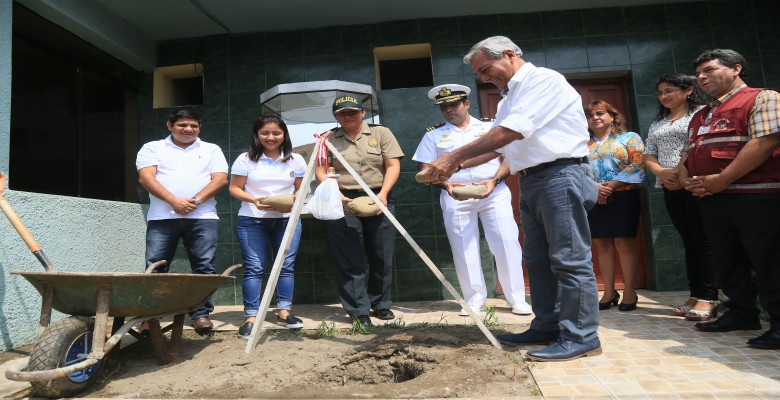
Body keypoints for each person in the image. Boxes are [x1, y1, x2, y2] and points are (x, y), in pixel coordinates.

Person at [425, 36, 601, 361]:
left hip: (561, 176)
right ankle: (547, 325)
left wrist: (452, 157)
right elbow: (500, 147)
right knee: (536, 259)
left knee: (569, 259)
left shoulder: (543, 81)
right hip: (534, 180)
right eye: (479, 74)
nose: (484, 78)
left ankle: (582, 337)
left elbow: (512, 131)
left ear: (509, 54)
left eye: (486, 69)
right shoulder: (507, 99)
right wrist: (456, 164)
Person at [682, 49, 780, 349]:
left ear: (736, 69)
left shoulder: (763, 98)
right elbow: (689, 154)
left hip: (757, 197)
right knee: (727, 260)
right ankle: (741, 313)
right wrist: (687, 181)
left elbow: (764, 143)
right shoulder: (701, 114)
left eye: (709, 70)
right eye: (698, 73)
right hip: (713, 200)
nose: (701, 77)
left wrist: (721, 180)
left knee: (769, 260)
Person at [412, 84, 531, 317]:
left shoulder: (490, 127)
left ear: (466, 104)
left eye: (453, 104)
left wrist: (495, 180)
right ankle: (474, 299)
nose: (448, 110)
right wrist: (445, 184)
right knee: (464, 247)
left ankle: (516, 298)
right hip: (455, 195)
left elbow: (508, 156)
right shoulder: (433, 134)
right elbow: (425, 168)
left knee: (506, 243)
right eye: (443, 106)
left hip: (493, 191)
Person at [136, 106, 228, 334]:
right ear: (170, 126)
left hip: (202, 217)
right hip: (162, 217)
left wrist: (195, 201)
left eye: (194, 125)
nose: (188, 129)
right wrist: (174, 201)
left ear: (199, 127)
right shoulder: (152, 148)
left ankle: (201, 313)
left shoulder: (211, 149)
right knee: (156, 266)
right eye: (182, 125)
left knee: (204, 267)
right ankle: (151, 316)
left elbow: (220, 180)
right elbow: (146, 178)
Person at [315, 96, 404, 326]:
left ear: (362, 113)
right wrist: (337, 195)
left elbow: (393, 165)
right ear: (335, 116)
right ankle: (358, 310)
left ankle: (381, 305)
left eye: (353, 112)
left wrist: (383, 194)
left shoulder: (380, 133)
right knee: (349, 257)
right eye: (342, 113)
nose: (348, 116)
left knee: (382, 255)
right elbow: (321, 170)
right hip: (343, 200)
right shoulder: (328, 139)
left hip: (378, 197)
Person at [644, 73, 719, 321]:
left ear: (688, 90)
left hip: (696, 183)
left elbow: (696, 145)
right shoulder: (659, 122)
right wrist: (663, 174)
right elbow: (648, 154)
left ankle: (709, 297)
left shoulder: (701, 114)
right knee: (689, 241)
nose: (664, 96)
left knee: (704, 241)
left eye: (669, 91)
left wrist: (679, 174)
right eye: (660, 92)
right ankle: (695, 293)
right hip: (669, 186)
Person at [229, 115, 306, 339]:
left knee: (285, 266)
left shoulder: (296, 160)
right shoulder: (245, 159)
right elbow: (235, 188)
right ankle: (251, 317)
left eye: (276, 133)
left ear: (284, 135)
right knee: (254, 267)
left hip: (286, 219)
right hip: (252, 219)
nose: (271, 137)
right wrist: (253, 200)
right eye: (265, 133)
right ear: (257, 134)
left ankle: (283, 312)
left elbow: (300, 190)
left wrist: (291, 201)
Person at [584, 100, 647, 312]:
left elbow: (638, 162)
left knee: (624, 243)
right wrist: (595, 188)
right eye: (590, 115)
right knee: (601, 244)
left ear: (613, 116)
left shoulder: (629, 138)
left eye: (600, 113)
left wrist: (612, 184)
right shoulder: (581, 144)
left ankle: (630, 290)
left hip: (623, 196)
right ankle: (609, 291)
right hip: (594, 197)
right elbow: (577, 170)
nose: (595, 118)